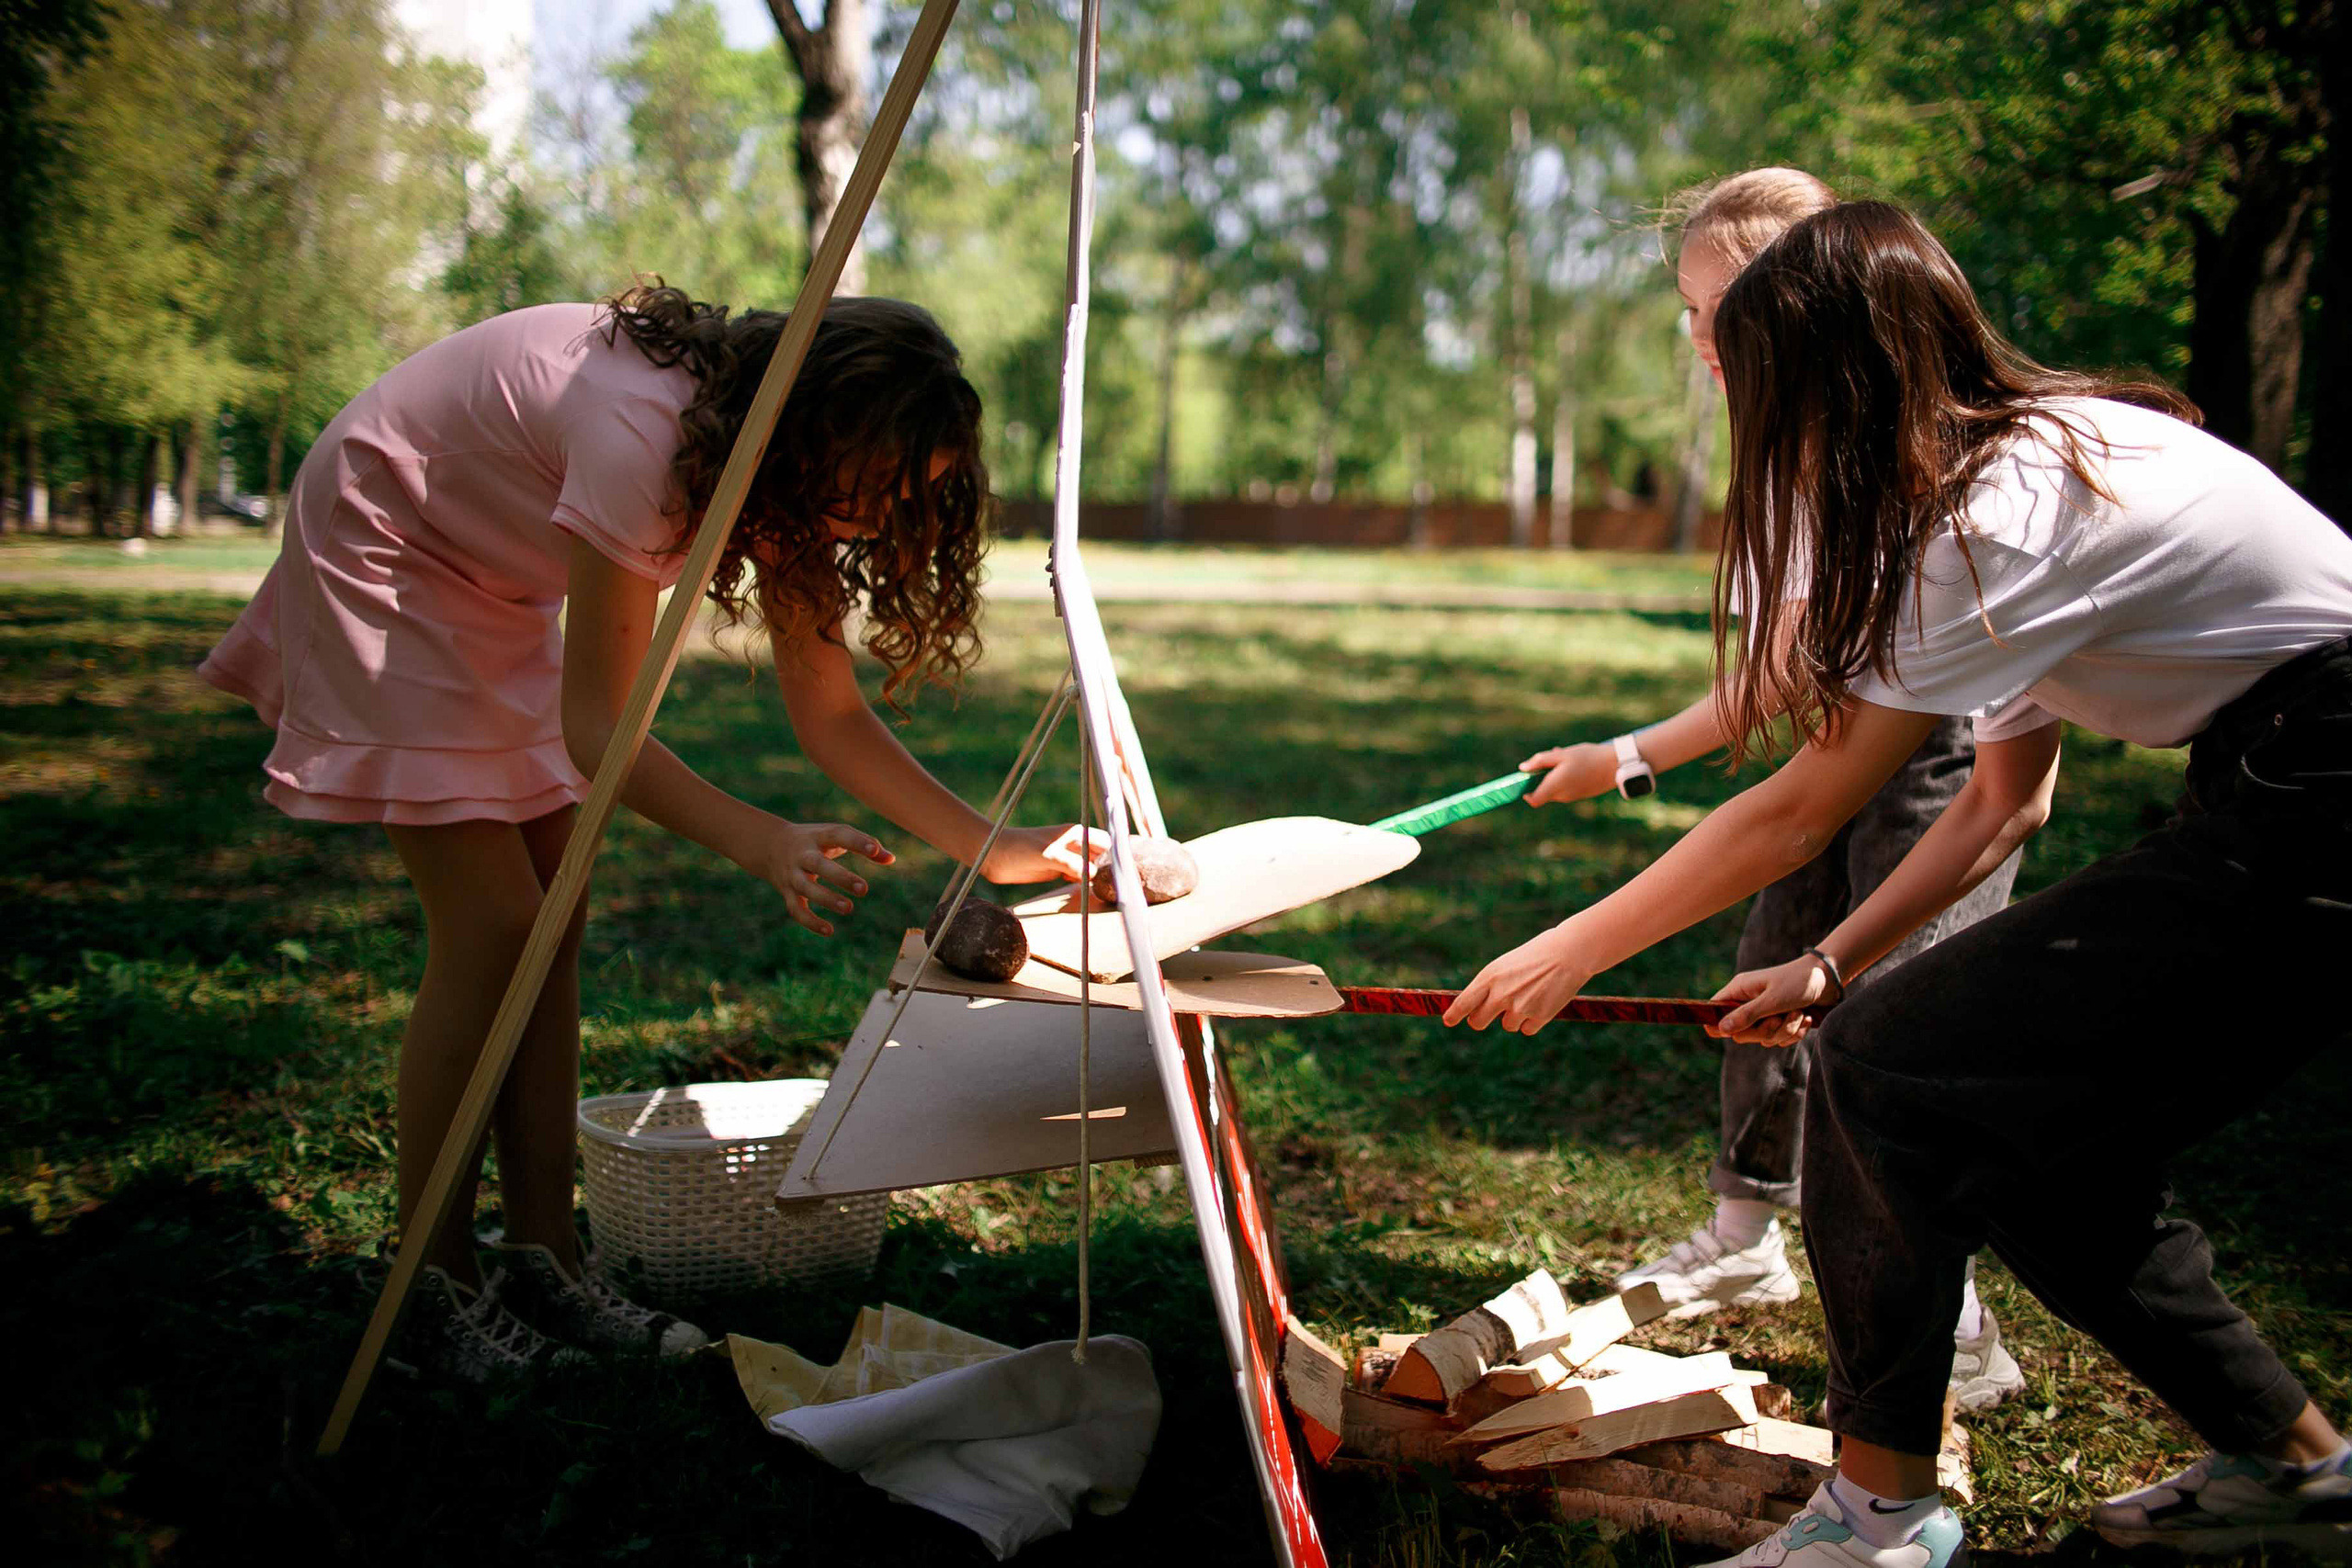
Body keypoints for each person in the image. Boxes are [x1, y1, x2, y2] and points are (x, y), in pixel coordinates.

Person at [1448, 201, 2352, 1565]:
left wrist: (1573, 944)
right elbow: (2006, 799)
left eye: (1756, 376)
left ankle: (1873, 1521)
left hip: (2324, 784)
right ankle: (2300, 1470)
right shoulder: (2001, 484)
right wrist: (1831, 959)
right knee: (2041, 1144)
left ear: (1835, 377)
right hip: (2281, 777)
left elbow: (1798, 808)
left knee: (1883, 1066)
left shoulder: (2000, 517)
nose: (1741, 405)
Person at [200, 287, 1092, 1381]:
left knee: (552, 923)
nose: (878, 518)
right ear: (821, 428)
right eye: (876, 485)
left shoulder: (775, 469)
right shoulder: (644, 433)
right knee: (495, 926)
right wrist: (756, 838)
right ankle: (427, 1285)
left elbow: (829, 714)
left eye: (907, 496)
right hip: (389, 538)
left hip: (489, 574)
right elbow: (598, 728)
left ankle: (546, 1258)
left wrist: (999, 849)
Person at [1520, 167, 2023, 1410]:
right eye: (1689, 309)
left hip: (1945, 754)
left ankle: (1954, 1315)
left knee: (1895, 1019)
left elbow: (1795, 692)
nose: (1700, 336)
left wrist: (1628, 761)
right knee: (1768, 968)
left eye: (1719, 306)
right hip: (1844, 738)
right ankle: (1745, 1235)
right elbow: (1789, 672)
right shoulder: (1784, 450)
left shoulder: (1894, 444)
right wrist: (1623, 755)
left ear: (1806, 297)